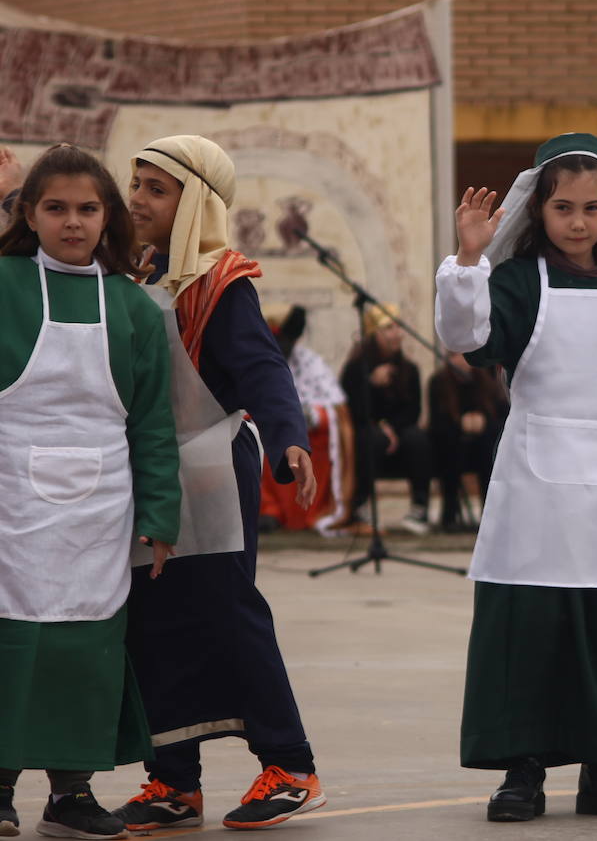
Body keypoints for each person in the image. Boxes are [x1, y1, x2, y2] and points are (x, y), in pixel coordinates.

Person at [435, 133, 597, 822]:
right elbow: (467, 340)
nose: (578, 222)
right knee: (527, 630)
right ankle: (520, 773)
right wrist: (467, 259)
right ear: (538, 211)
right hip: (531, 483)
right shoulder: (517, 281)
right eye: (564, 208)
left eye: (592, 208)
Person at [113, 135, 325, 833]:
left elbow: (262, 368)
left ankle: (291, 765)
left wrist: (289, 440)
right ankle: (174, 784)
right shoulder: (127, 275)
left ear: (194, 200)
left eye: (156, 188)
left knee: (229, 619)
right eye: (136, 183)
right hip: (146, 472)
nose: (138, 198)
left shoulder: (220, 280)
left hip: (209, 471)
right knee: (154, 627)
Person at [0, 144, 180, 840]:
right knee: (15, 646)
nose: (72, 222)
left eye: (87, 208)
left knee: (86, 652)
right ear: (28, 214)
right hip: (11, 498)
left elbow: (153, 425)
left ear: (108, 218)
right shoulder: (3, 284)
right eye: (55, 208)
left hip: (100, 509)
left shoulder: (132, 306)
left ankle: (71, 793)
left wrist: (161, 513)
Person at [261, 304, 354, 534]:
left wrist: (307, 417)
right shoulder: (261, 363)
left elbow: (335, 411)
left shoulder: (311, 363)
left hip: (308, 439)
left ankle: (314, 510)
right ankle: (268, 510)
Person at [340, 304, 432, 534]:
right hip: (368, 432)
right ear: (374, 334)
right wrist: (371, 385)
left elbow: (413, 410)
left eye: (398, 327)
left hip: (399, 432)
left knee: (417, 439)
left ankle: (419, 508)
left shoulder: (410, 369)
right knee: (373, 439)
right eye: (389, 328)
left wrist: (392, 428)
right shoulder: (356, 369)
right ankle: (362, 505)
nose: (396, 333)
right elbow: (352, 409)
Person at [427, 350, 507, 532]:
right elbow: (436, 423)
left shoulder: (487, 382)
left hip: (482, 447)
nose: (461, 361)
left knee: (489, 447)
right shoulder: (439, 383)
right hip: (452, 447)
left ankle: (490, 514)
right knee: (449, 448)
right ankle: (450, 513)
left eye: (465, 355)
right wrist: (459, 424)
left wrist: (483, 422)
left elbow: (502, 418)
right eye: (455, 355)